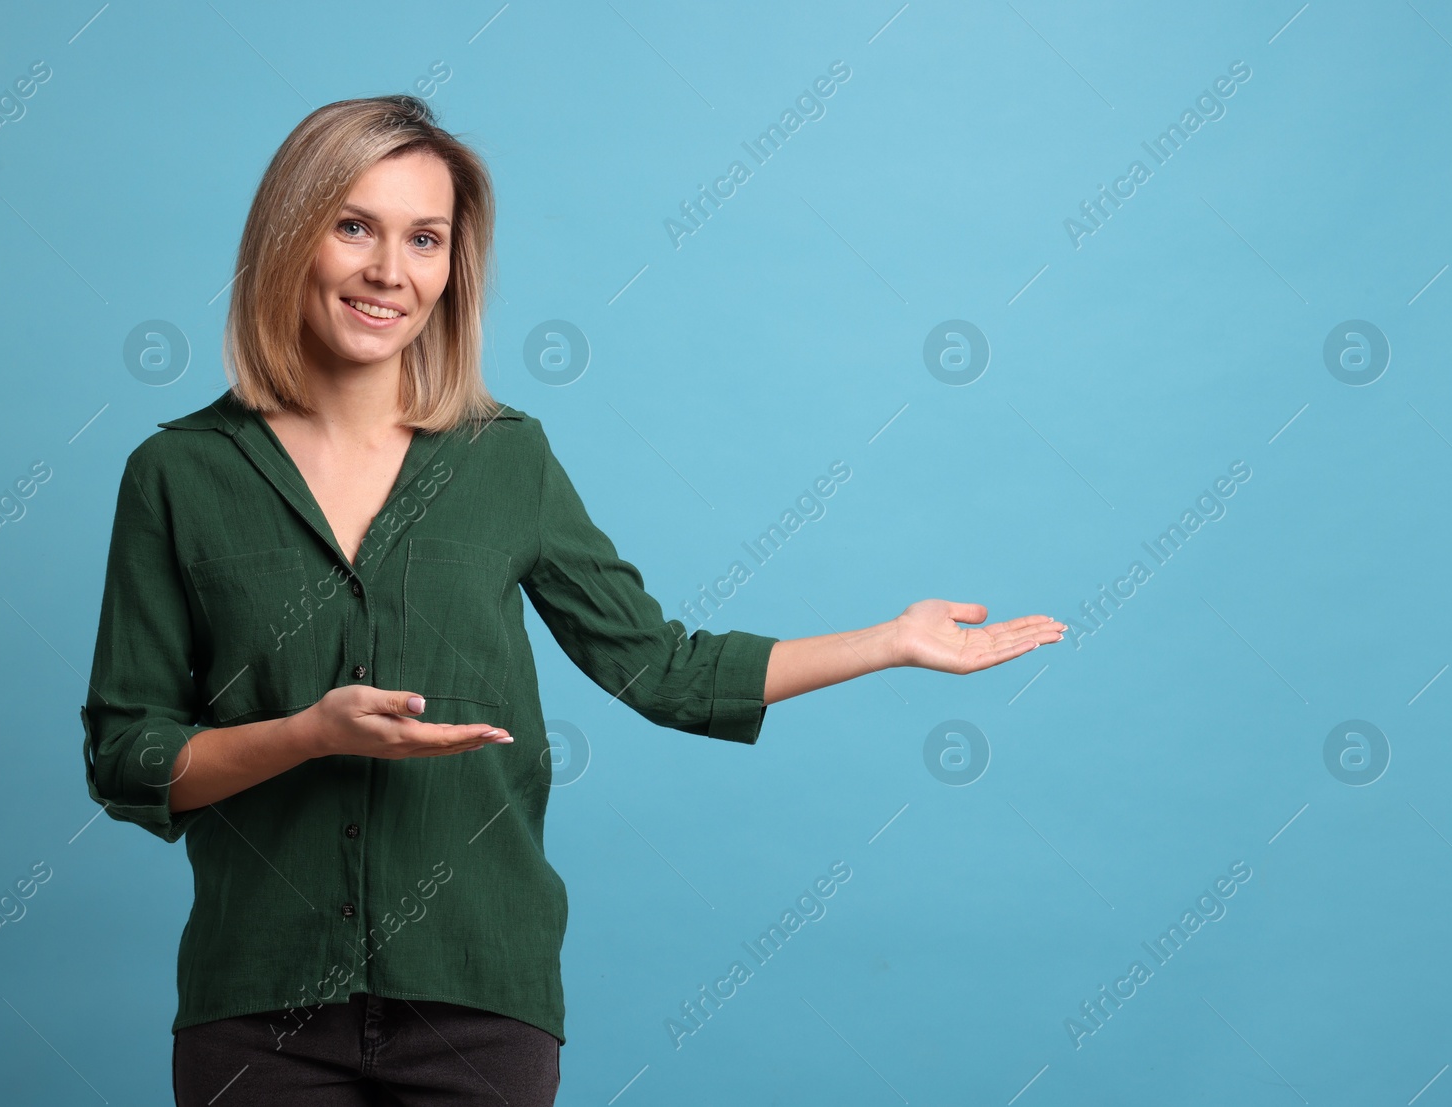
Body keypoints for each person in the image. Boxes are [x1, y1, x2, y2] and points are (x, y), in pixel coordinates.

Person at [79, 94, 1066, 1107]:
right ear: (291, 235)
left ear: (454, 267)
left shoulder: (506, 461)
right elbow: (128, 756)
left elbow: (663, 670)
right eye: (353, 226)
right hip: (258, 1016)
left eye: (425, 238)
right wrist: (306, 735)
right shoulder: (178, 475)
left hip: (479, 1010)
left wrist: (891, 641)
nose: (389, 271)